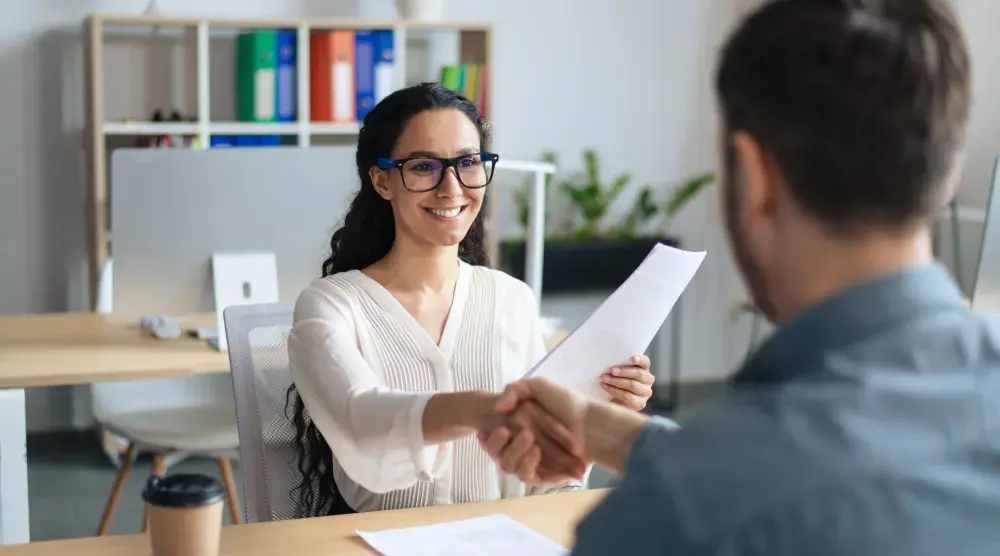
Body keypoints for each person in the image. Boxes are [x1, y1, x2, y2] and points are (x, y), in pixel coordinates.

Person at [481, 0, 1000, 554]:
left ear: (754, 177)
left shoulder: (676, 513)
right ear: (947, 173)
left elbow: (749, 477)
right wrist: (599, 428)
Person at [285, 82, 656, 516]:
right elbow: (360, 419)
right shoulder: (331, 305)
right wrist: (480, 410)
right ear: (382, 180)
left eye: (468, 162)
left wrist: (599, 407)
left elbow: (545, 482)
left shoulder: (511, 298)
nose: (452, 187)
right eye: (424, 166)